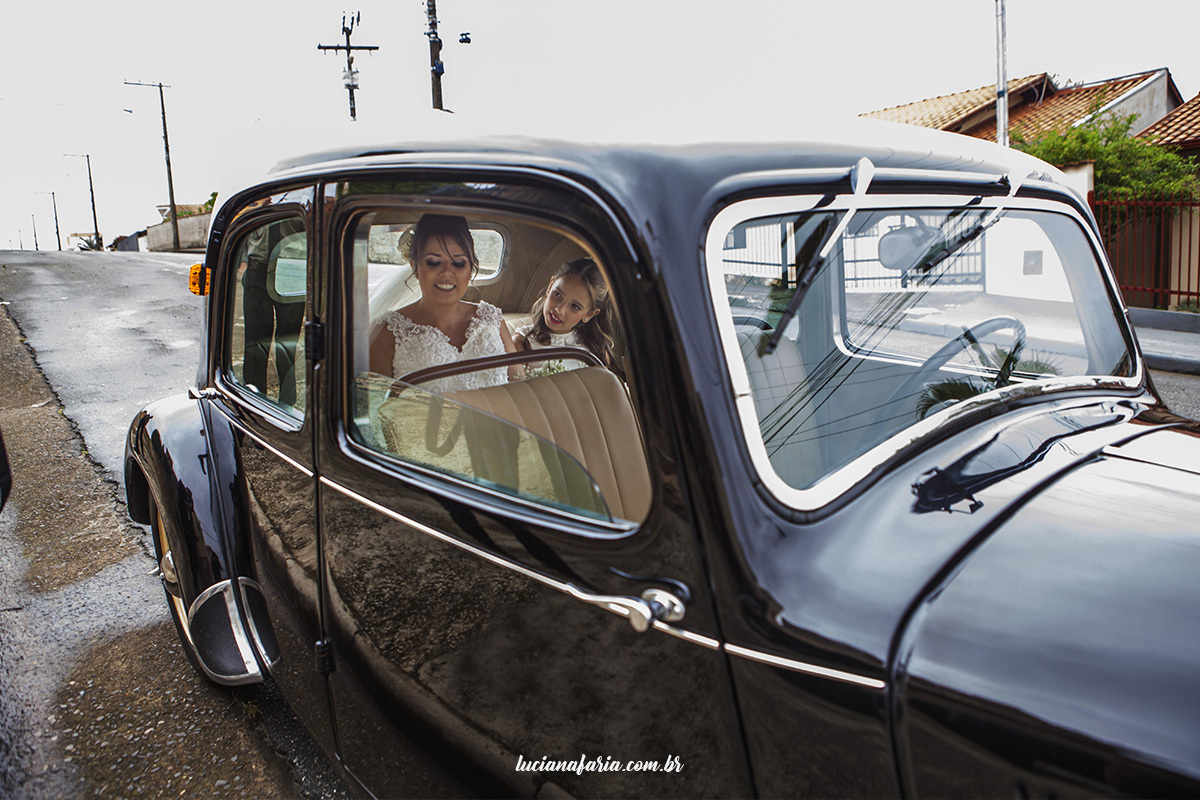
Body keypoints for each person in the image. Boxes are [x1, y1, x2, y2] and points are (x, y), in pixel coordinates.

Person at [370, 214, 519, 394]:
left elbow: (520, 389)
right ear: (415, 266)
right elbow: (375, 403)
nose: (447, 272)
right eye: (434, 262)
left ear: (470, 270)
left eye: (458, 263)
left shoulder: (493, 320)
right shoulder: (389, 331)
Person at [513, 257, 616, 378]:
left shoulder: (597, 351)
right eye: (557, 294)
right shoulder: (523, 342)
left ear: (589, 314)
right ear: (550, 286)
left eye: (575, 306)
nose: (559, 310)